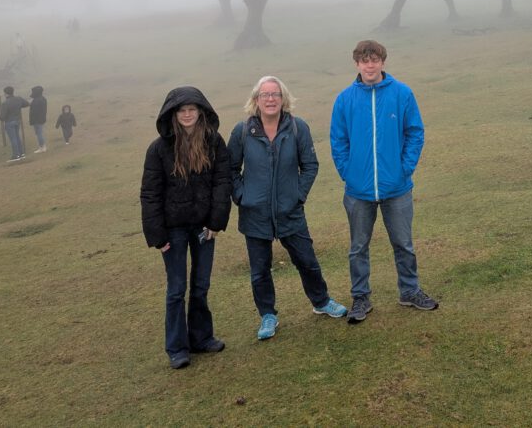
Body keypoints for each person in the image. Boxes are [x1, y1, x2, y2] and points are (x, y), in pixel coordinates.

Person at [228, 75, 347, 341]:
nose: (270, 99)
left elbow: (310, 166)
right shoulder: (242, 131)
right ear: (256, 99)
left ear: (283, 99)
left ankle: (321, 301)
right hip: (255, 214)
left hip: (290, 211)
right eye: (265, 94)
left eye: (276, 94)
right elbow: (230, 169)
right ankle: (267, 315)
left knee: (307, 261)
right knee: (259, 271)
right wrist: (242, 196)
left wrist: (297, 196)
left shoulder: (297, 127)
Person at [330, 40, 438, 324]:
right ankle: (360, 297)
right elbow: (338, 141)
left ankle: (410, 291)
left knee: (403, 243)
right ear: (357, 63)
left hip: (397, 187)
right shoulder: (344, 99)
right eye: (364, 60)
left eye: (374, 59)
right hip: (358, 190)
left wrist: (405, 169)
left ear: (382, 62)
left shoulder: (402, 93)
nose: (370, 65)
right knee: (358, 247)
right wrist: (348, 173)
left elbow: (415, 133)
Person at [141, 86, 232, 370]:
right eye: (182, 110)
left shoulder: (214, 142)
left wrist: (216, 222)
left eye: (192, 109)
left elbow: (222, 182)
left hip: (204, 226)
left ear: (201, 111)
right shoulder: (158, 149)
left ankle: (201, 338)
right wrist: (157, 236)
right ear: (173, 114)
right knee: (176, 289)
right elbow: (150, 194)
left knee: (201, 285)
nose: (187, 114)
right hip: (173, 230)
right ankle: (177, 348)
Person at [0, 86, 29, 162]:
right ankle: (21, 153)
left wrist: (0, 118)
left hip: (9, 122)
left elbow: (2, 116)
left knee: (13, 139)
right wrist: (19, 106)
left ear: (6, 93)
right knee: (17, 137)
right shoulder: (18, 99)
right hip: (17, 120)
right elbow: (27, 104)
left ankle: (16, 155)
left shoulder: (5, 103)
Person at [28, 85, 48, 153]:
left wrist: (31, 103)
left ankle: (42, 147)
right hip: (42, 118)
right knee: (40, 133)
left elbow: (34, 111)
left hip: (36, 120)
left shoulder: (36, 100)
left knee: (39, 133)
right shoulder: (43, 98)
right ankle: (42, 147)